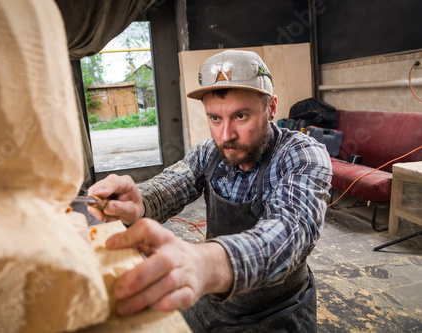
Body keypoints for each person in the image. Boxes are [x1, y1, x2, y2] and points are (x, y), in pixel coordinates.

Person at [87, 50, 332, 332]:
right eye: (215, 118)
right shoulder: (208, 153)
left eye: (241, 116)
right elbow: (170, 185)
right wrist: (139, 201)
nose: (226, 135)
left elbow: (291, 232)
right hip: (213, 303)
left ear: (271, 107)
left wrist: (205, 264)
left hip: (277, 313)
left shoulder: (303, 155)